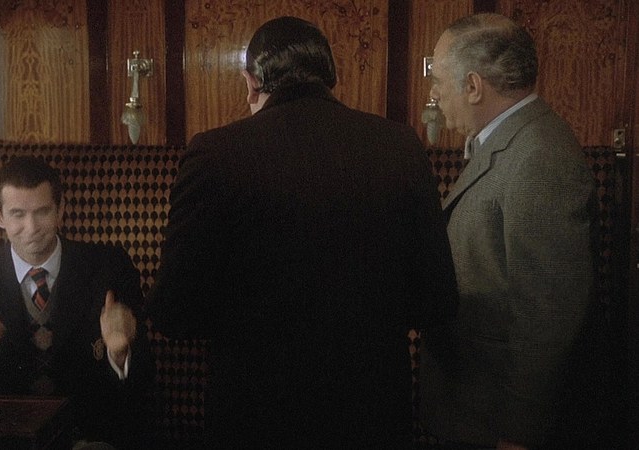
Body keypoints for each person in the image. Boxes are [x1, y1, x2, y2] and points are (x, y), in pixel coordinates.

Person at [146, 16, 459, 449]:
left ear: (251, 83)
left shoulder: (214, 154)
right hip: (372, 414)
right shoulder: (400, 146)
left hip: (256, 417)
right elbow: (436, 302)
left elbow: (174, 313)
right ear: (330, 77)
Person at [419, 13, 607, 450]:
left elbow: (548, 316)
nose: (433, 94)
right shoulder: (509, 141)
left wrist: (520, 432)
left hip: (499, 422)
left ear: (473, 86)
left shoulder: (539, 158)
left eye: (439, 80)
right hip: (478, 408)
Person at [0, 156, 155, 449]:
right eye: (17, 214)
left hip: (85, 439)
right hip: (3, 440)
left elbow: (146, 385)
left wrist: (121, 353)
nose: (32, 227)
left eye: (42, 212)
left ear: (60, 210)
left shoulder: (109, 266)